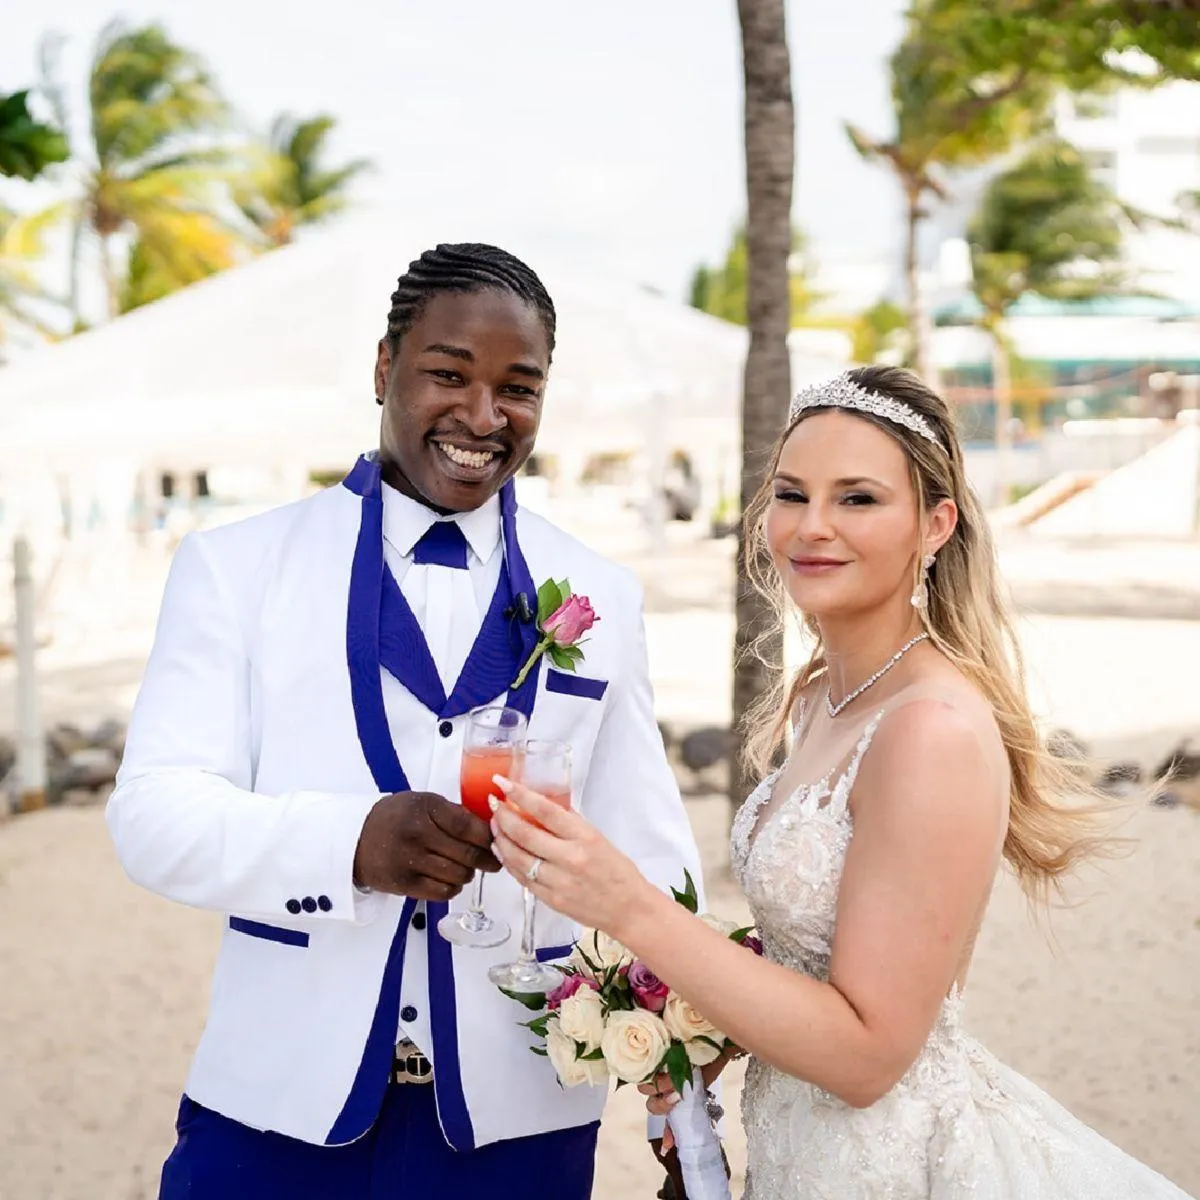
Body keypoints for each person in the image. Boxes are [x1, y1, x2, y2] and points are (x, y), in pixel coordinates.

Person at [489, 366, 1197, 1199]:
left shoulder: (928, 728)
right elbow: (830, 954)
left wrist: (631, 908)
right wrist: (708, 1019)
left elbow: (868, 1058)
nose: (812, 526)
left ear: (935, 525)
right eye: (792, 494)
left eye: (857, 498)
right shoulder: (829, 693)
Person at [107, 243, 703, 1199]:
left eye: (518, 388)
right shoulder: (236, 568)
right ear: (385, 368)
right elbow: (152, 815)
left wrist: (680, 1074)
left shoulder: (602, 594)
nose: (483, 415)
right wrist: (350, 843)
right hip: (276, 1104)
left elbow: (652, 853)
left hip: (521, 1119)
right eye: (448, 374)